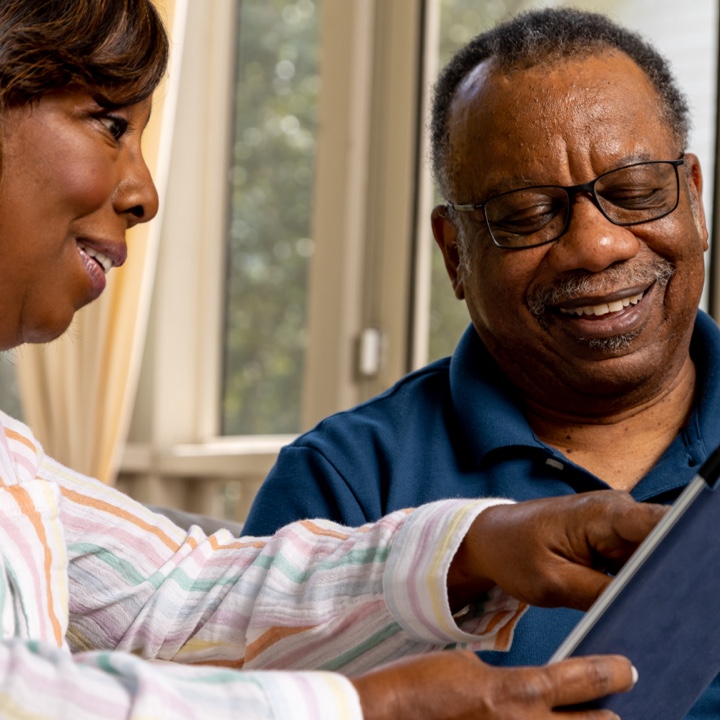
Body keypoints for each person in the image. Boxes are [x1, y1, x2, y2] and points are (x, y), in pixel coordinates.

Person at [0, 1, 668, 719]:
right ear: (455, 255)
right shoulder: (346, 468)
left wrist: (476, 549)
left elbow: (175, 602)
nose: (146, 194)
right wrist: (363, 709)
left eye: (634, 194)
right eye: (110, 125)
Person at [243, 6, 720, 719]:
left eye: (634, 192)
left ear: (694, 198)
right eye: (528, 214)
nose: (597, 246)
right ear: (453, 252)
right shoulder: (344, 484)